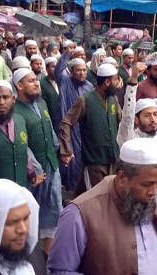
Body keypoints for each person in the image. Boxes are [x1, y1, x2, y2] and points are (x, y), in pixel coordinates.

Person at [50, 138, 157, 275]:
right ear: (122, 178)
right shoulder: (80, 213)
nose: (153, 191)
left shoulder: (145, 199)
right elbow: (59, 271)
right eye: (147, 184)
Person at [12, 69, 62, 253]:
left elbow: (49, 128)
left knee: (54, 209)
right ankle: (27, 254)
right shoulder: (15, 110)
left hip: (51, 164)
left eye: (36, 80)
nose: (36, 83)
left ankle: (47, 254)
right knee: (29, 212)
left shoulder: (41, 103)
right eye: (31, 80)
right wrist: (35, 167)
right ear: (19, 85)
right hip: (32, 172)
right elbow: (21, 143)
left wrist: (59, 151)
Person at [60, 63, 122, 195]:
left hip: (112, 158)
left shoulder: (113, 100)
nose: (117, 83)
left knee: (111, 195)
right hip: (95, 161)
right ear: (107, 82)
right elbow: (66, 123)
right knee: (97, 198)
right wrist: (66, 150)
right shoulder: (84, 100)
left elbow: (121, 122)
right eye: (115, 79)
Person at [116, 63, 157, 191]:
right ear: (137, 119)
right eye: (147, 115)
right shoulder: (130, 137)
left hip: (154, 196)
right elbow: (127, 116)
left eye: (155, 114)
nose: (153, 119)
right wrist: (133, 81)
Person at [53, 52, 93, 191]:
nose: (81, 73)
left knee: (79, 160)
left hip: (82, 129)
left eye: (84, 70)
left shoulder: (89, 87)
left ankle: (76, 188)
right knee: (67, 158)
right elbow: (57, 69)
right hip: (67, 128)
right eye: (78, 70)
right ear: (71, 71)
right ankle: (67, 187)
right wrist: (67, 53)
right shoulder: (64, 81)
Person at [40, 56, 60, 132]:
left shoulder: (63, 81)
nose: (56, 69)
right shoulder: (42, 84)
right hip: (51, 120)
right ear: (47, 69)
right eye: (53, 67)